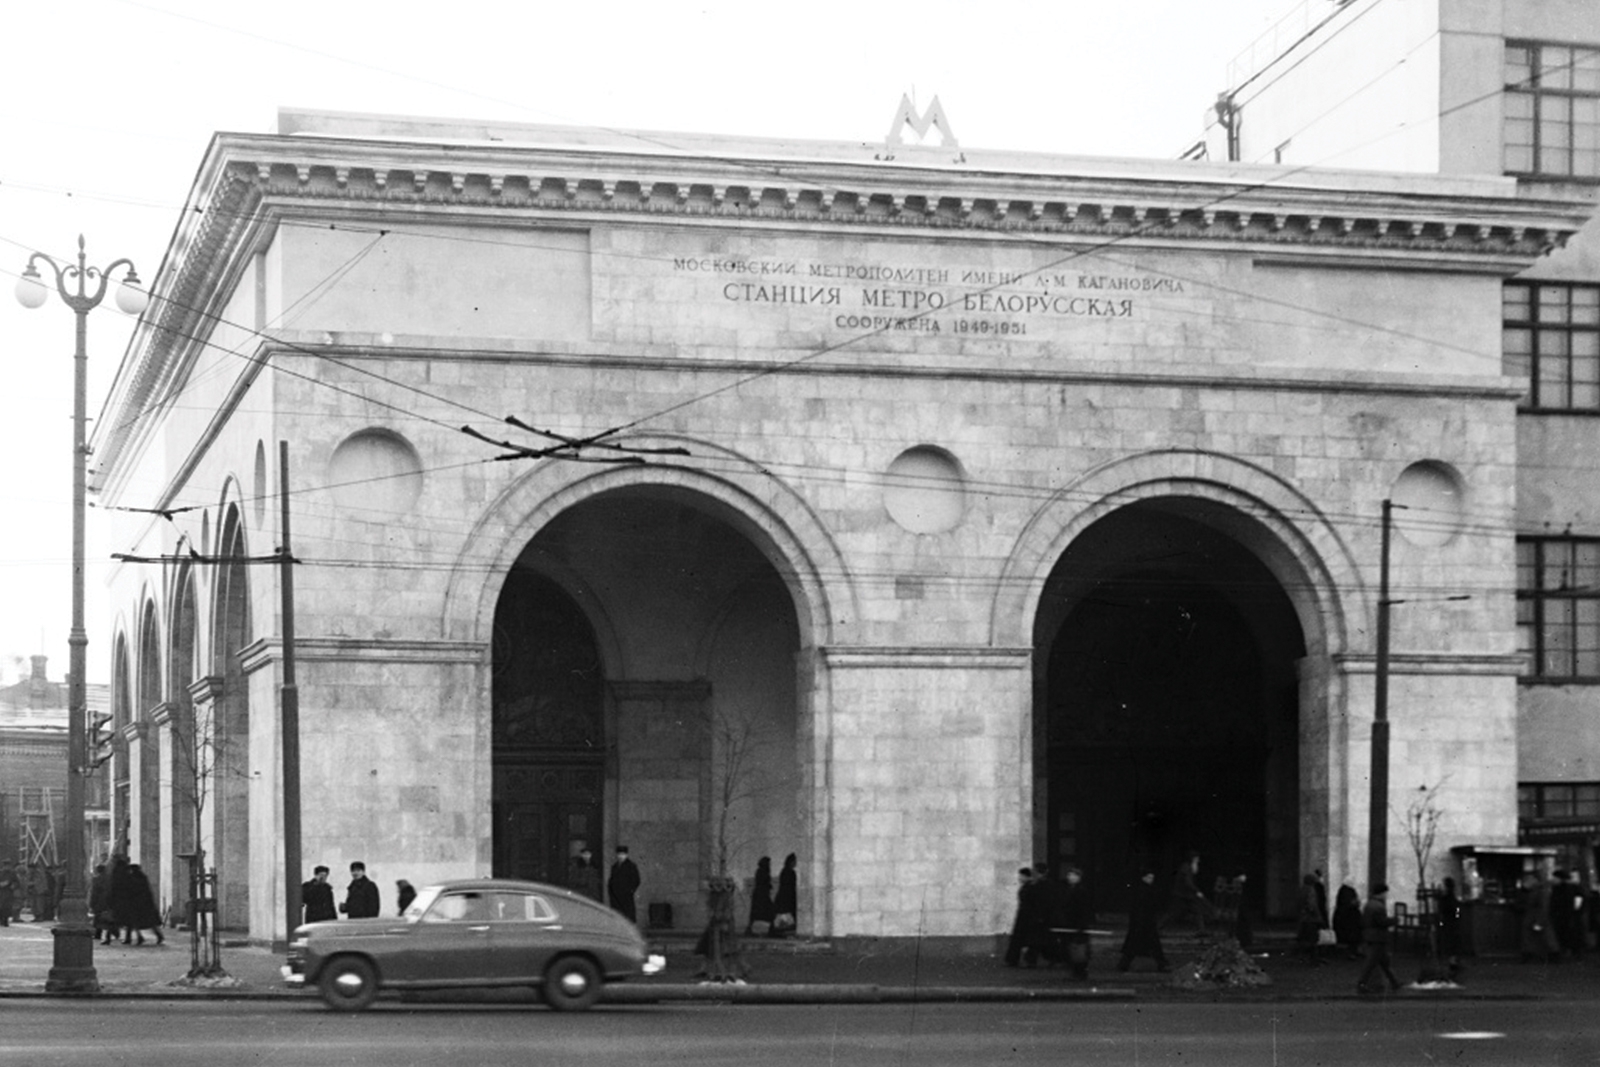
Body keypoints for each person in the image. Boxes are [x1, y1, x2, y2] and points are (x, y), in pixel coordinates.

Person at [1118, 869, 1169, 973]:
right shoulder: (1144, 891)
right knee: (1152, 946)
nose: (1151, 880)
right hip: (1144, 923)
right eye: (1149, 877)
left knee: (1134, 947)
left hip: (1142, 923)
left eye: (1152, 878)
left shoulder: (1142, 890)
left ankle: (1124, 964)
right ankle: (1162, 964)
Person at [1051, 866, 1095, 979]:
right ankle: (1076, 971)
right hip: (1070, 922)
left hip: (1077, 923)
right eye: (1069, 875)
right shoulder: (1068, 889)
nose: (1070, 877)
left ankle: (1080, 972)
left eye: (1073, 875)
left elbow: (1083, 909)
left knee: (1078, 948)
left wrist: (1082, 924)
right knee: (1072, 948)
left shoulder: (1081, 891)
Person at [1357, 883, 1401, 994]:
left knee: (1384, 962)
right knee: (1372, 963)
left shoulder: (1369, 904)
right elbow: (1381, 922)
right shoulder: (1378, 906)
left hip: (1372, 936)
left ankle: (1395, 982)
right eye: (1385, 893)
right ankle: (1362, 983)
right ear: (1381, 893)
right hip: (1377, 937)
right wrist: (1393, 920)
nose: (1386, 895)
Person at [1168, 852, 1212, 933]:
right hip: (1182, 894)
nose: (1198, 860)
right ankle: (1157, 928)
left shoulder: (1188, 867)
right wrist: (1196, 891)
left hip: (1187, 895)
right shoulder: (1186, 867)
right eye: (1197, 858)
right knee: (1174, 913)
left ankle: (1201, 930)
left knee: (1197, 911)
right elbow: (1187, 882)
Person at [1518, 872, 1557, 964]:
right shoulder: (1539, 890)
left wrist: (1539, 921)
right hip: (1535, 917)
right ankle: (1548, 956)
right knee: (1542, 938)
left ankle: (1533, 956)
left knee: (1540, 938)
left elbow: (1543, 907)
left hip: (1535, 917)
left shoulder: (1539, 891)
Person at [124, 863, 165, 946]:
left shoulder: (132, 878)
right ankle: (157, 935)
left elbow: (131, 891)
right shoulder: (142, 877)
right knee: (149, 922)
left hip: (136, 903)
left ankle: (140, 937)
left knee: (135, 921)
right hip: (145, 903)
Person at [1551, 869, 1584, 962]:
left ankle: (1569, 952)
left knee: (1567, 935)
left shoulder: (1566, 889)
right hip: (1566, 916)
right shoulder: (1569, 888)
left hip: (1566, 916)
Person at [1297, 873, 1327, 964]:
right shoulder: (1311, 890)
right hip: (1311, 918)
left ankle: (1304, 957)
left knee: (1305, 938)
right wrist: (1319, 916)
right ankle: (1314, 958)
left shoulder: (1302, 889)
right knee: (1313, 939)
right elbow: (1312, 905)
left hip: (1303, 917)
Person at [1436, 876, 1463, 978]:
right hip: (1452, 924)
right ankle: (1452, 963)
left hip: (1448, 924)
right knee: (1452, 945)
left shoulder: (1446, 899)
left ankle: (1452, 964)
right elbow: (1457, 911)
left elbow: (1444, 912)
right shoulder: (1452, 898)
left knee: (1449, 944)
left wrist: (1441, 923)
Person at [608, 846, 641, 922]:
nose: (621, 856)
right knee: (617, 917)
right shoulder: (614, 867)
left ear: (626, 855)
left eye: (623, 854)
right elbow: (611, 881)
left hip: (626, 897)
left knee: (628, 917)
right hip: (615, 898)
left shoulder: (631, 866)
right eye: (619, 854)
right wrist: (611, 892)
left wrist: (630, 891)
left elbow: (636, 880)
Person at [746, 856, 775, 935]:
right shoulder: (763, 872)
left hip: (759, 895)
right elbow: (763, 883)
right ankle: (772, 930)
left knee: (756, 913)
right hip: (762, 895)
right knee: (770, 912)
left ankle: (750, 929)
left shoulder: (759, 871)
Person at [771, 852, 798, 937]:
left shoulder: (784, 871)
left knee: (782, 915)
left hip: (783, 896)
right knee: (786, 915)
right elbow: (791, 886)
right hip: (788, 897)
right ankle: (785, 932)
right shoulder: (790, 872)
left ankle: (780, 932)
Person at [1333, 883, 1363, 958]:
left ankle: (1350, 952)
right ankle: (1352, 952)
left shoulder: (1340, 909)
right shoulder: (1353, 910)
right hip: (1351, 924)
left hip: (1346, 923)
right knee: (1352, 937)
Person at [89, 863, 113, 943]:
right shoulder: (110, 879)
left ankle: (98, 933)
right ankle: (108, 935)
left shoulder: (96, 879)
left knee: (98, 918)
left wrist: (91, 903)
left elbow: (94, 892)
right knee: (108, 918)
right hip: (108, 900)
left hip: (99, 901)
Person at [0, 862, 17, 927]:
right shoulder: (1, 873)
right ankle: (1, 919)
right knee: (1, 907)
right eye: (6, 866)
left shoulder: (12, 874)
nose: (7, 867)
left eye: (8, 866)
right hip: (1, 892)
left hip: (8, 892)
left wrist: (13, 886)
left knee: (7, 907)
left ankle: (5, 920)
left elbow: (16, 882)